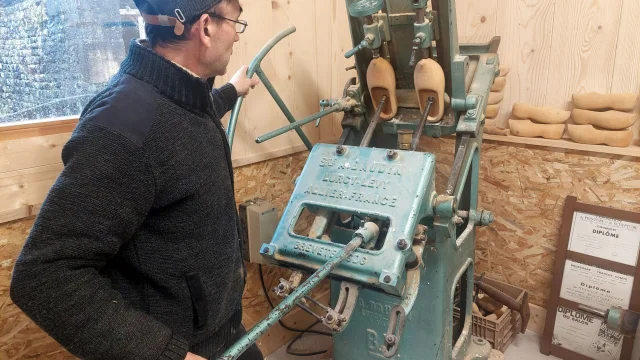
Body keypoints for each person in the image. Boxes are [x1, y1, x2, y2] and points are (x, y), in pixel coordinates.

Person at [9, 0, 264, 359]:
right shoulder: (122, 126)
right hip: (183, 349)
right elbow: (44, 274)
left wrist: (229, 92)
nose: (237, 36)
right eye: (236, 23)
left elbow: (181, 127)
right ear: (205, 28)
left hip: (225, 335)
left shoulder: (181, 94)